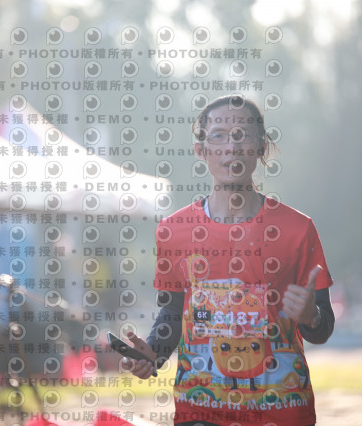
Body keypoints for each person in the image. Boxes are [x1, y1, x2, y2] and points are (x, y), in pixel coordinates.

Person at [120, 95, 335, 426]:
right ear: (201, 150)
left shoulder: (298, 229)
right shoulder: (172, 231)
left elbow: (322, 328)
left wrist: (311, 316)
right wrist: (154, 352)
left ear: (261, 147)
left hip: (281, 406)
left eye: (242, 135)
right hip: (200, 406)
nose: (231, 147)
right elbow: (173, 312)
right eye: (218, 135)